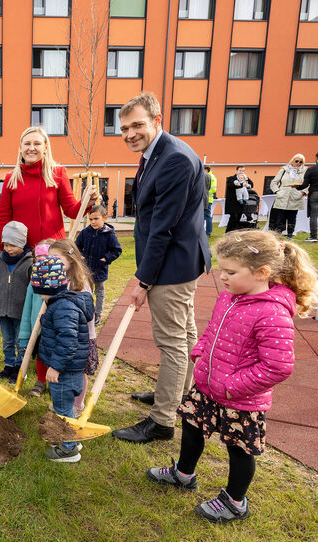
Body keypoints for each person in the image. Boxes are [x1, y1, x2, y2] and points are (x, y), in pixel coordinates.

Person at [146, 230, 318, 524]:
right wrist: (200, 352)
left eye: (230, 271)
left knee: (239, 449)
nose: (223, 278)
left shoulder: (272, 312)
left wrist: (232, 387)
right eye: (222, 270)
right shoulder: (230, 297)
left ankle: (234, 502)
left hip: (241, 399)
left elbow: (278, 366)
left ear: (262, 273)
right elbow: (211, 331)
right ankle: (183, 474)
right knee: (191, 427)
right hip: (207, 386)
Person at [111, 92, 211, 444]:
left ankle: (163, 420)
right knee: (183, 335)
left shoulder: (175, 160)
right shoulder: (156, 154)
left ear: (157, 120)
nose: (129, 133)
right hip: (180, 260)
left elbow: (163, 227)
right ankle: (178, 395)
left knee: (172, 342)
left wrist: (144, 279)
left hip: (172, 264)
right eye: (124, 128)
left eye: (137, 125)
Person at [0, 126, 96, 265]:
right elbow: (4, 218)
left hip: (53, 250)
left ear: (45, 148)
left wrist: (85, 203)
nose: (31, 148)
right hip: (21, 251)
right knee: (24, 287)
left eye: (37, 143)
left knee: (51, 286)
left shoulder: (57, 173)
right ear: (20, 148)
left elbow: (71, 210)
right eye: (27, 144)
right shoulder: (11, 178)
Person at [31, 254, 94, 463]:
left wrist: (55, 367)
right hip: (72, 369)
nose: (40, 298)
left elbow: (68, 341)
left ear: (45, 289)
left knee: (62, 409)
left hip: (64, 371)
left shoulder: (62, 307)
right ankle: (72, 440)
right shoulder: (63, 303)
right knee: (66, 406)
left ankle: (68, 449)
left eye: (40, 294)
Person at [0, 221, 33, 384]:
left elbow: (33, 290)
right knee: (7, 340)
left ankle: (20, 367)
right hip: (3, 309)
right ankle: (9, 364)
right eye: (6, 245)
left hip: (21, 311)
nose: (9, 249)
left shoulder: (29, 262)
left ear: (22, 243)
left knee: (21, 341)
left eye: (13, 245)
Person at [75, 204, 122, 326]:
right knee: (85, 291)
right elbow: (76, 246)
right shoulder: (85, 232)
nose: (93, 222)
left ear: (104, 218)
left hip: (99, 269)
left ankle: (98, 314)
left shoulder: (109, 234)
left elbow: (116, 250)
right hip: (85, 269)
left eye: (96, 219)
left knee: (99, 291)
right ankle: (86, 312)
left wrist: (105, 259)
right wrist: (80, 255)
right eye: (91, 219)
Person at [21, 239, 54, 397]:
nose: (41, 262)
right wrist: (24, 335)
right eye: (38, 259)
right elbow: (27, 308)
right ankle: (41, 381)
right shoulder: (33, 281)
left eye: (45, 258)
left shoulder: (59, 281)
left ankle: (55, 384)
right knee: (41, 355)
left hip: (54, 327)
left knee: (53, 355)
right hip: (38, 327)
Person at [269, 154, 307, 238]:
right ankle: (278, 233)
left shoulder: (305, 171)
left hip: (296, 197)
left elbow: (308, 184)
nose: (298, 163)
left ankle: (290, 234)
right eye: (296, 161)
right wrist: (278, 191)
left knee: (292, 217)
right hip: (283, 196)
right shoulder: (284, 170)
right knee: (280, 217)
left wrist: (302, 193)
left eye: (301, 162)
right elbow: (274, 182)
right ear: (292, 160)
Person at [294, 150, 318, 242]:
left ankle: (313, 236)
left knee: (314, 216)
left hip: (315, 194)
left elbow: (305, 185)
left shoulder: (311, 169)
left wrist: (296, 187)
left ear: (316, 158)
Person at [224, 166, 253, 233]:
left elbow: (251, 184)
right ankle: (228, 232)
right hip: (232, 203)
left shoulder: (245, 178)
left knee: (238, 218)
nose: (241, 172)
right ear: (236, 171)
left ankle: (234, 232)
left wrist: (247, 179)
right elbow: (230, 185)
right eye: (240, 170)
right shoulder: (231, 178)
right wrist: (240, 184)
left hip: (240, 203)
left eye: (243, 171)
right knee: (234, 217)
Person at [204, 166, 217, 237]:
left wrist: (205, 192)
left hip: (208, 199)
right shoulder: (209, 176)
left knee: (207, 216)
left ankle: (208, 233)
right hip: (205, 199)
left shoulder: (211, 177)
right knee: (204, 216)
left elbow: (213, 189)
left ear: (206, 170)